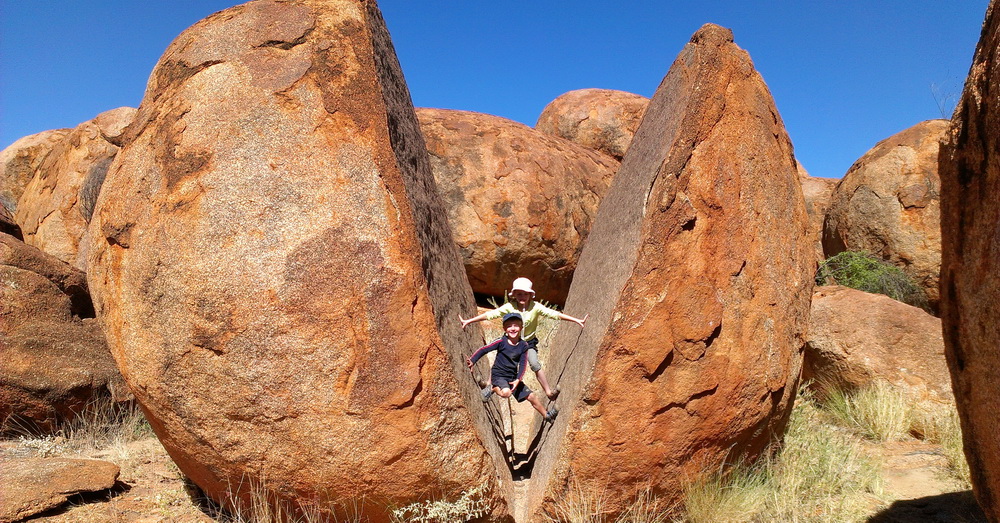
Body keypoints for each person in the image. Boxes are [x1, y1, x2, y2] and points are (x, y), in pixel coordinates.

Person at [459, 277, 587, 400]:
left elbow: (553, 314)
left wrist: (576, 320)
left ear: (531, 295)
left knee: (535, 364)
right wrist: (469, 321)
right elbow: (491, 314)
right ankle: (489, 385)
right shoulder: (510, 307)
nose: (522, 297)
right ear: (514, 294)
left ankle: (548, 392)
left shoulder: (535, 306)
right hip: (511, 339)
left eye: (525, 294)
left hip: (528, 343)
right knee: (502, 357)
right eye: (519, 294)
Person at [467, 312, 557, 422]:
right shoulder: (501, 342)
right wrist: (472, 360)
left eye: (516, 325)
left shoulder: (524, 345)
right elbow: (484, 349)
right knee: (506, 392)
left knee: (532, 396)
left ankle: (546, 415)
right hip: (499, 375)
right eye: (509, 326)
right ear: (504, 328)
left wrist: (518, 380)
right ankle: (492, 388)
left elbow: (523, 364)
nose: (513, 329)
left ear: (521, 327)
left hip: (513, 378)